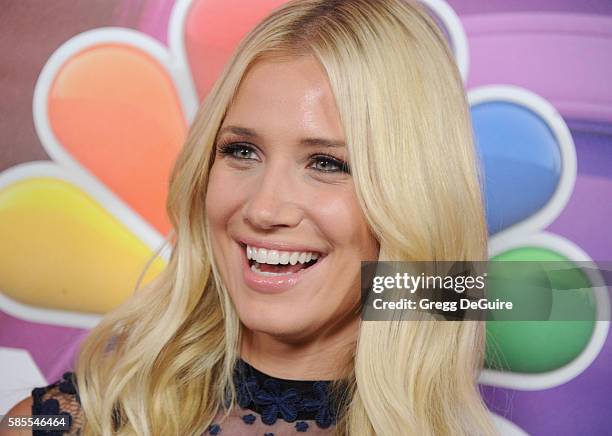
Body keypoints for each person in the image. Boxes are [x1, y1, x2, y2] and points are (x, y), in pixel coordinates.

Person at [2, 0, 498, 434]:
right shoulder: (63, 418)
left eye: (327, 164)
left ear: (413, 199)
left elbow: (561, 294)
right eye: (242, 150)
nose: (262, 208)